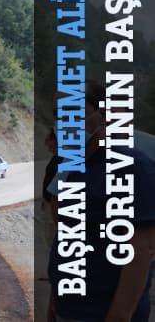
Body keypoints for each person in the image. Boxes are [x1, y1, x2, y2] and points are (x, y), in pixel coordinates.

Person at [46, 80, 155, 322]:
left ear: (102, 115)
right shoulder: (73, 169)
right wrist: (53, 308)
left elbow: (141, 250)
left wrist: (119, 316)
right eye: (58, 113)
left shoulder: (132, 167)